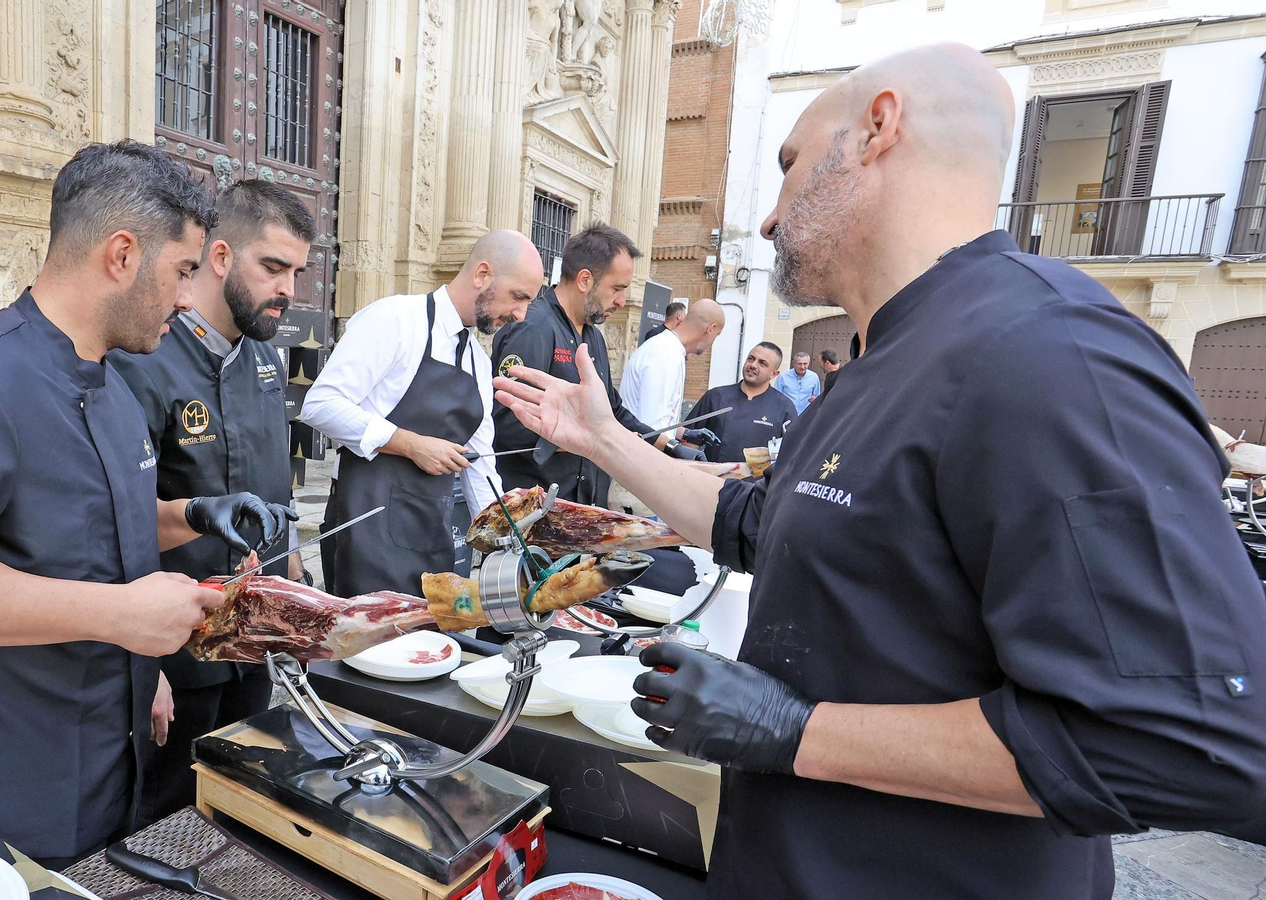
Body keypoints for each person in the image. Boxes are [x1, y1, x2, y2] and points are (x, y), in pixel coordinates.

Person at [493, 43, 1266, 899]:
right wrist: (603, 440)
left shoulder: (1049, 352)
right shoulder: (878, 361)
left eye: (789, 164)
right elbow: (758, 523)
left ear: (877, 130)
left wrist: (796, 732)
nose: (768, 221)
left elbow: (1180, 739)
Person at [0, 141, 294, 867]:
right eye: (182, 271)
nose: (187, 298)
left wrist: (193, 515)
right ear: (121, 255)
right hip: (23, 765)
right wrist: (120, 616)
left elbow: (96, 526)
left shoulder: (113, 383)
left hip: (122, 746)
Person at [107, 179, 314, 826]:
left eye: (298, 273)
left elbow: (274, 482)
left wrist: (293, 572)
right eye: (273, 267)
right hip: (176, 645)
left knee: (242, 800)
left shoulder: (266, 360)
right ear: (219, 257)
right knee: (167, 814)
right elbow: (114, 524)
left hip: (253, 638)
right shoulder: (143, 357)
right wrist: (142, 666)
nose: (288, 289)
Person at [301, 230, 544, 596]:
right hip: (366, 532)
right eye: (518, 296)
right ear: (482, 274)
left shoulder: (479, 363)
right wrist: (411, 445)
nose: (521, 314)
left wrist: (511, 542)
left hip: (433, 536)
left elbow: (480, 469)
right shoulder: (395, 319)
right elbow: (320, 405)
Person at [491, 224, 717, 507]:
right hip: (532, 508)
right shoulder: (533, 329)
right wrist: (590, 439)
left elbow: (613, 411)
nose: (622, 301)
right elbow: (508, 426)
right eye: (617, 289)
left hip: (585, 505)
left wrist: (670, 447)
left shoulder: (593, 337)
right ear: (585, 280)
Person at [619, 298, 725, 431]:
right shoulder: (666, 354)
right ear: (710, 329)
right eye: (717, 335)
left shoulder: (670, 349)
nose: (713, 341)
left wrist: (684, 433)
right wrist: (673, 443)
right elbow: (653, 426)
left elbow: (662, 420)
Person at [683, 341, 796, 465]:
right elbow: (689, 439)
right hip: (711, 474)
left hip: (759, 477)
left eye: (762, 363)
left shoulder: (784, 407)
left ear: (774, 374)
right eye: (751, 359)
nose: (753, 365)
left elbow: (792, 452)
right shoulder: (716, 396)